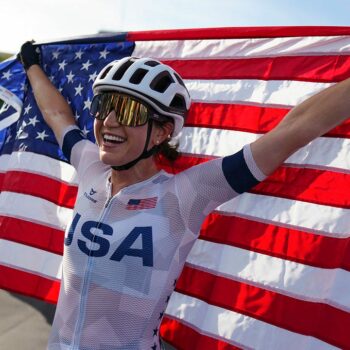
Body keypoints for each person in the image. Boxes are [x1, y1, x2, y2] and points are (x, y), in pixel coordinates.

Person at [18, 41, 350, 350]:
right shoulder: (90, 164)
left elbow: (295, 130)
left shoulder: (186, 193)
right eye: (104, 106)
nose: (109, 121)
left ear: (162, 132)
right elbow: (57, 115)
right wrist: (32, 66)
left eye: (130, 112)